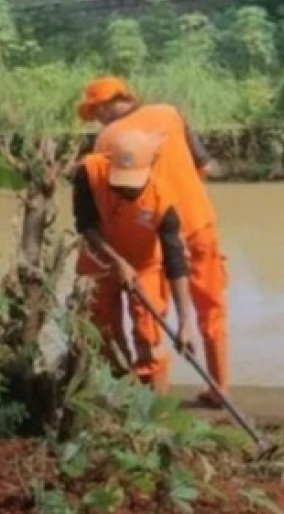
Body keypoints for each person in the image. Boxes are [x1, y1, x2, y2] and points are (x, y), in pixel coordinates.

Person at [76, 76, 230, 407]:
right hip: (199, 221)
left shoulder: (109, 140)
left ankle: (135, 389)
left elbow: (111, 198)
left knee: (147, 316)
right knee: (210, 306)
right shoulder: (171, 113)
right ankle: (219, 387)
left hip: (151, 228)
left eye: (95, 113)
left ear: (105, 104)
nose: (97, 121)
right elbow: (205, 166)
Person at [73, 129, 198, 394]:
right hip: (98, 260)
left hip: (145, 266)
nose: (125, 191)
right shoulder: (89, 172)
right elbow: (85, 224)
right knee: (99, 333)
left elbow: (175, 262)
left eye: (133, 186)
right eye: (120, 184)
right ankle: (113, 398)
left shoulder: (164, 201)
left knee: (149, 335)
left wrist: (186, 322)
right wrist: (116, 261)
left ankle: (155, 407)